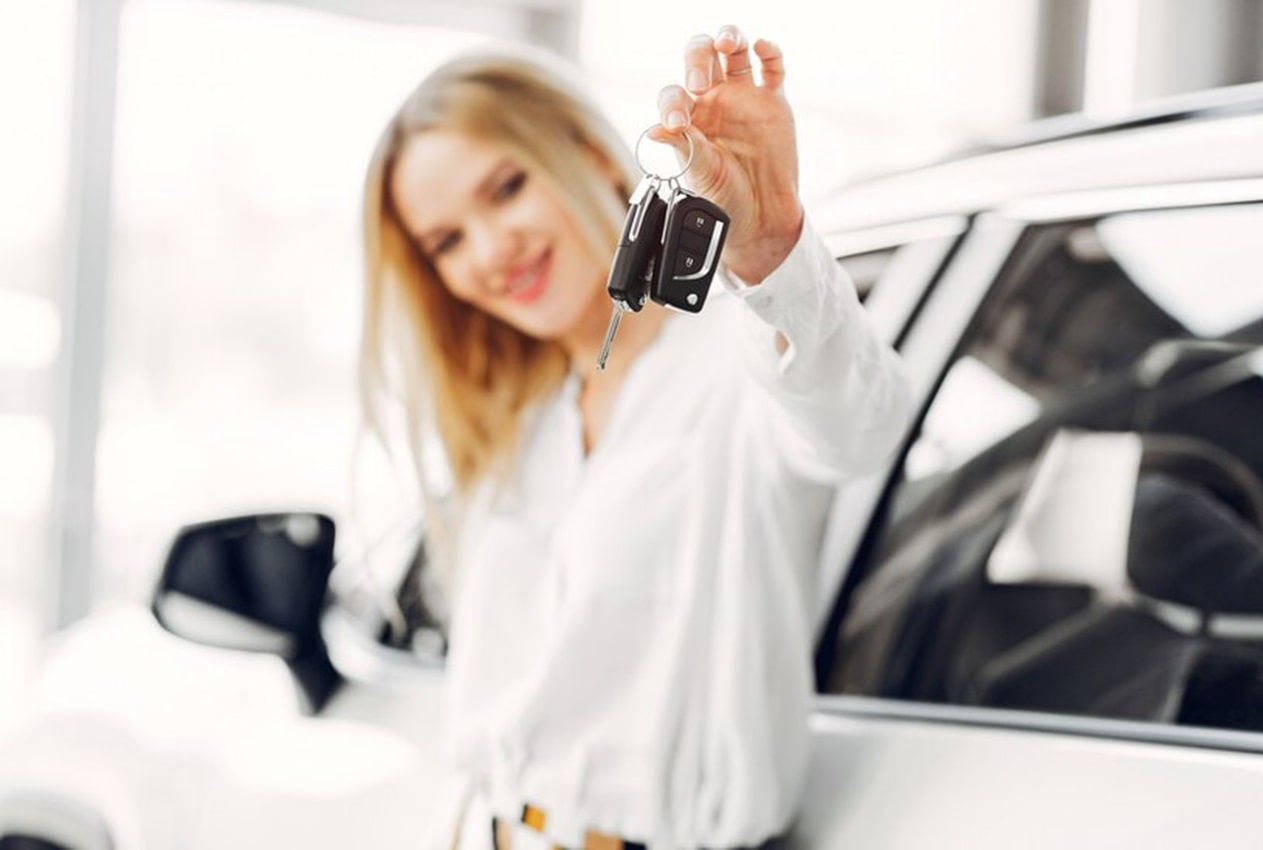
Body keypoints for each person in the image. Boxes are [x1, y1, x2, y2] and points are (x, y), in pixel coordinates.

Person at [359, 24, 912, 850]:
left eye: (506, 188)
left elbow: (860, 429)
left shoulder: (736, 361)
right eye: (445, 242)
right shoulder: (518, 425)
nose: (489, 250)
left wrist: (772, 252)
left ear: (586, 152)